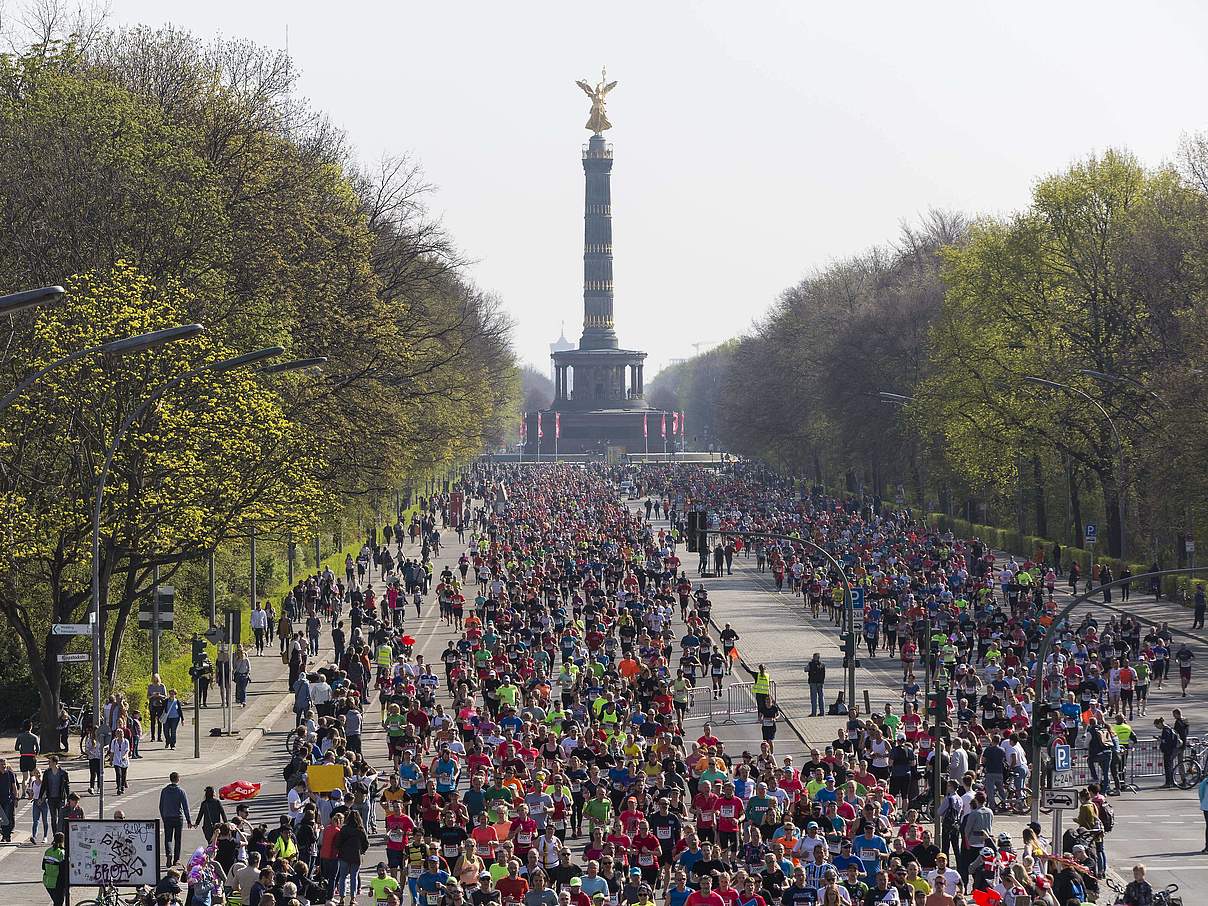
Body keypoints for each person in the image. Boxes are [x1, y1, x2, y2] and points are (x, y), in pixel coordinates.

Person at [159, 771, 192, 866]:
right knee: (178, 839)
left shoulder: (164, 791)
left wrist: (163, 816)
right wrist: (189, 820)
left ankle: (169, 854)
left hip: (167, 817)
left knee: (168, 838)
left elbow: (161, 805)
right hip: (178, 817)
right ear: (178, 779)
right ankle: (176, 859)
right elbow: (185, 807)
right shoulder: (181, 791)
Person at [41, 831, 68, 906]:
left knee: (56, 902)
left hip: (47, 881)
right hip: (58, 882)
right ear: (63, 840)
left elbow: (43, 867)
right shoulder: (62, 853)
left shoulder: (48, 851)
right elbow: (64, 871)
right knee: (59, 902)